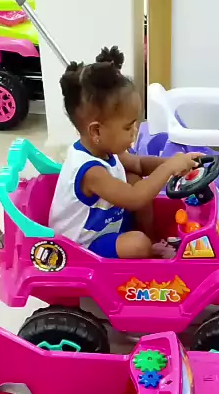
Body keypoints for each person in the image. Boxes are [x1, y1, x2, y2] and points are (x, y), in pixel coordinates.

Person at [49, 46, 203, 259]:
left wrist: (178, 162)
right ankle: (147, 252)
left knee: (133, 177)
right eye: (127, 127)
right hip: (82, 248)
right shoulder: (91, 172)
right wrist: (169, 168)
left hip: (108, 225)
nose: (135, 131)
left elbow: (139, 164)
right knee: (137, 241)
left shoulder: (105, 150)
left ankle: (151, 239)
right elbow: (134, 198)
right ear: (96, 131)